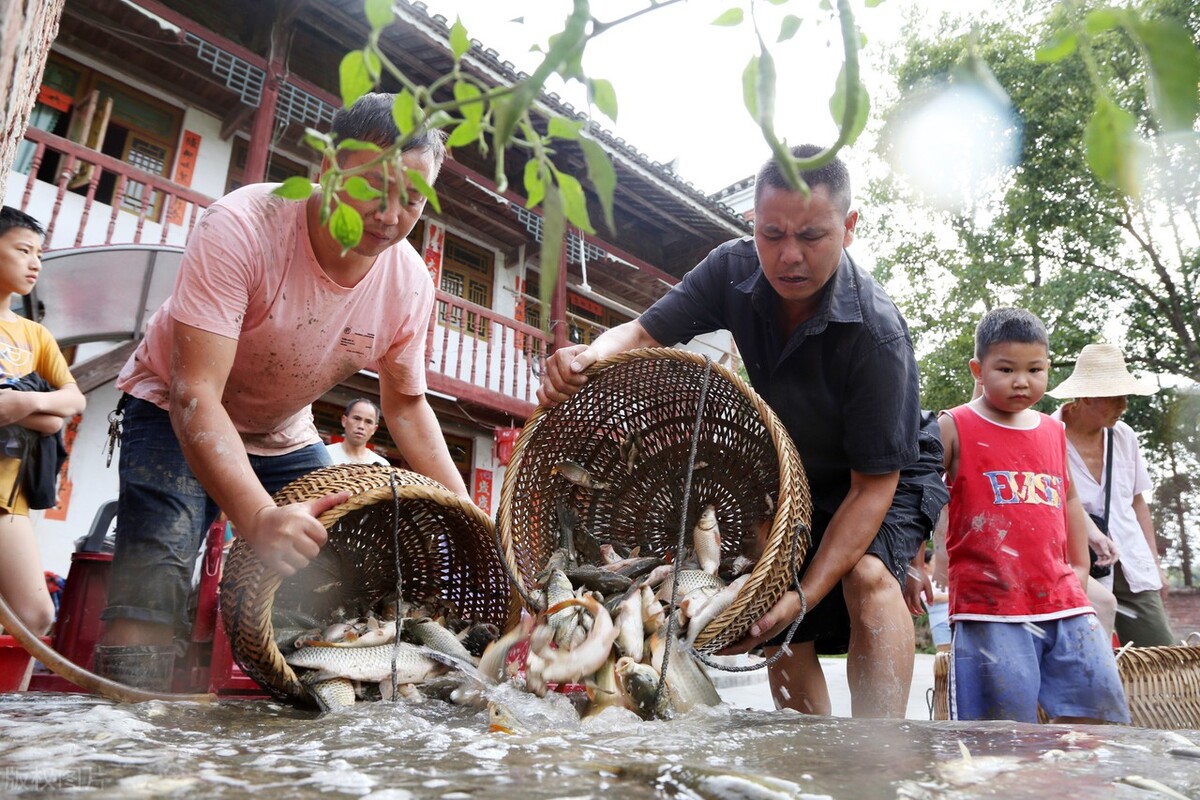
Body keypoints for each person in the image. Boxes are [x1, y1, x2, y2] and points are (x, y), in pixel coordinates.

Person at [538, 144, 948, 718]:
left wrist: (806, 593)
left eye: (812, 236)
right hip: (793, 460)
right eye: (771, 233)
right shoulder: (731, 268)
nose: (789, 256)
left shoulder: (878, 337)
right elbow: (639, 333)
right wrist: (586, 357)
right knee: (768, 607)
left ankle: (878, 755)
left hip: (883, 470)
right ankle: (802, 752)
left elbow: (872, 489)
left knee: (866, 575)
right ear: (753, 224)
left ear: (849, 227)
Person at [99, 94, 470, 665]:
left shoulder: (410, 282)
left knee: (334, 577)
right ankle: (124, 725)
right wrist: (259, 517)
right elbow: (195, 391)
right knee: (156, 575)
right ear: (326, 169)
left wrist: (468, 516)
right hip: (172, 410)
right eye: (374, 188)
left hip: (282, 431)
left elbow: (407, 407)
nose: (391, 216)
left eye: (413, 199)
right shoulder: (243, 225)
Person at [938, 308, 1128, 723]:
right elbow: (921, 496)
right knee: (1000, 728)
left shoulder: (1052, 430)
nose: (1021, 381)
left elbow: (1069, 499)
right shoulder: (954, 425)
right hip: (989, 605)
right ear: (979, 369)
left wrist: (1080, 565)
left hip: (1062, 598)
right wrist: (916, 564)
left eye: (1035, 369)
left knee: (1098, 710)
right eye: (1005, 369)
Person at [1050, 343, 1176, 647]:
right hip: (1076, 564)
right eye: (1114, 396)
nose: (1123, 405)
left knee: (1161, 653)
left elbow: (1137, 502)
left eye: (1125, 396)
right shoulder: (1047, 434)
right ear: (1086, 396)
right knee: (1086, 658)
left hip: (1131, 559)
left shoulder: (1125, 436)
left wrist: (1154, 564)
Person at [0, 207, 87, 642]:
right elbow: (51, 420)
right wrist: (44, 418)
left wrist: (22, 403)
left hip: (8, 496)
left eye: (39, 253)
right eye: (22, 250)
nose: (35, 262)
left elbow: (73, 400)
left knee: (34, 616)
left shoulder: (35, 336)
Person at [326, 398, 390, 465]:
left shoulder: (382, 465)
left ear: (374, 429)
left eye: (368, 422)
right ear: (344, 421)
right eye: (356, 418)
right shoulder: (325, 455)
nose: (361, 426)